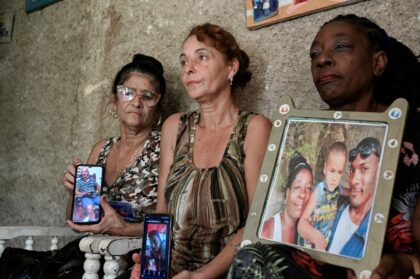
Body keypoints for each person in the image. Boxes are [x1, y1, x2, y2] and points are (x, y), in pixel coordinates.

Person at [229, 14, 420, 278]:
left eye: (341, 47)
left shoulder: (414, 138)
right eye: (314, 54)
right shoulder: (298, 133)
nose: (322, 59)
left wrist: (405, 264)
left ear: (378, 62)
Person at [130, 23, 272, 279]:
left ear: (232, 67)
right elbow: (162, 214)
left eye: (201, 57)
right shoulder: (175, 126)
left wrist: (200, 276)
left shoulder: (254, 129)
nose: (188, 69)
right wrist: (151, 263)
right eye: (184, 61)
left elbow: (257, 222)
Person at [63, 53, 166, 236]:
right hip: (93, 256)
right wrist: (73, 193)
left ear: (158, 110)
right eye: (127, 93)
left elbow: (173, 224)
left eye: (148, 96)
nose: (136, 102)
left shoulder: (165, 148)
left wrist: (126, 229)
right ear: (114, 101)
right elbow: (78, 222)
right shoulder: (101, 149)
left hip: (136, 258)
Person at [327, 137, 380, 258]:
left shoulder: (374, 233)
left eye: (364, 169)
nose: (354, 180)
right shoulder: (335, 204)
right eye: (352, 170)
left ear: (378, 173)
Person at [297, 141, 348, 250]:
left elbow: (351, 192)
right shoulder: (319, 191)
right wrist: (315, 236)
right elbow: (302, 221)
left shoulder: (338, 189)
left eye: (339, 172)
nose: (335, 177)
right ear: (325, 168)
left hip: (327, 241)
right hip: (312, 242)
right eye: (332, 171)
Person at [261, 152, 313, 244]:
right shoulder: (268, 231)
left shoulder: (307, 231)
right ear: (287, 193)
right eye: (297, 187)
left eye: (308, 188)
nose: (303, 194)